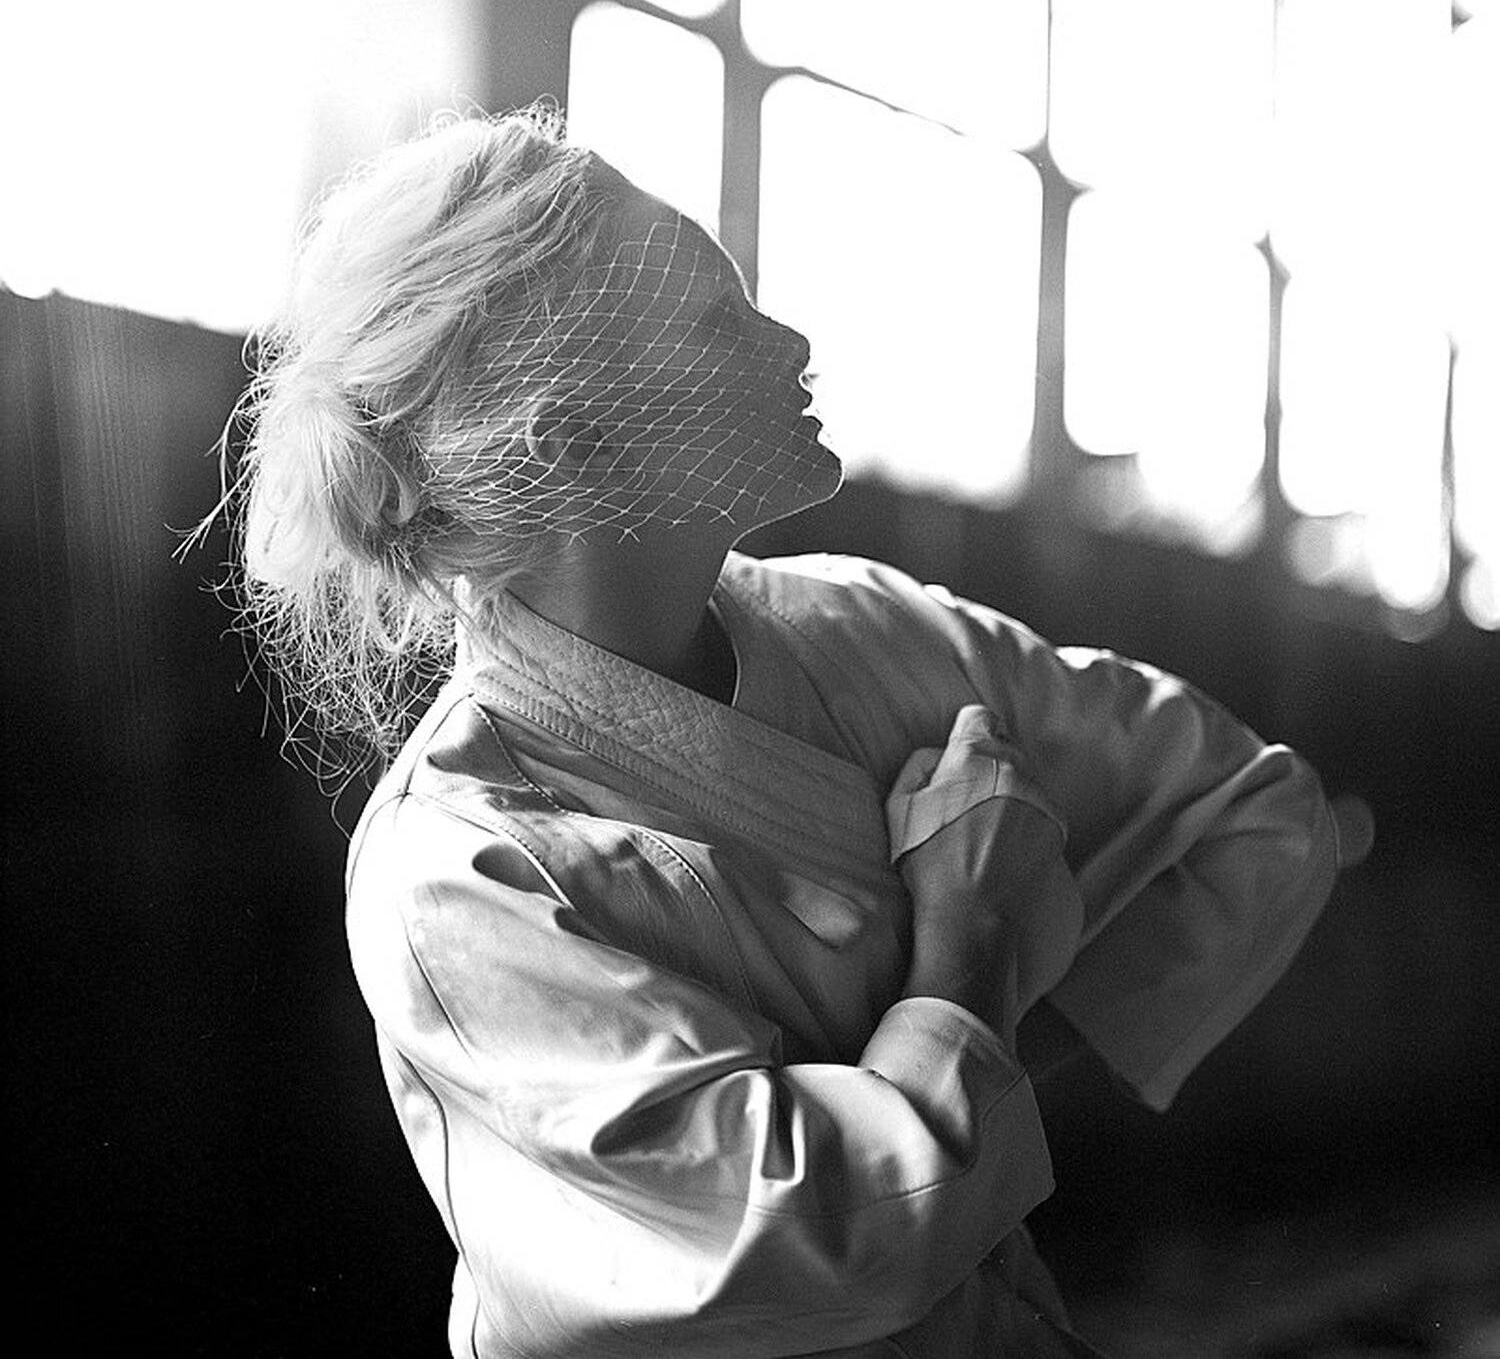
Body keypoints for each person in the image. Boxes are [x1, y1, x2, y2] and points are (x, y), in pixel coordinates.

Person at [214, 108, 1363, 1357]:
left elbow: (1253, 809)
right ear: (573, 440)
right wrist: (968, 953)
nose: (792, 344)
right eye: (719, 320)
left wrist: (972, 1086)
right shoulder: (455, 865)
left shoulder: (876, 634)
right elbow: (831, 1244)